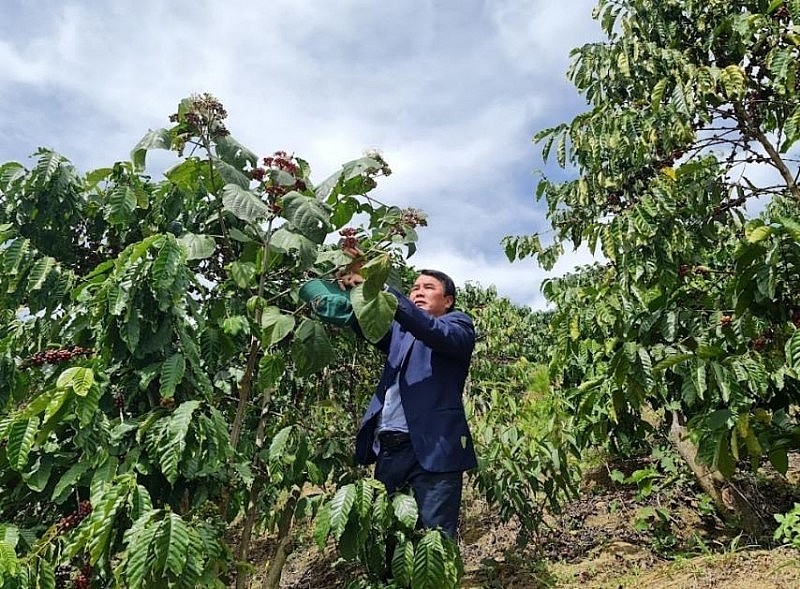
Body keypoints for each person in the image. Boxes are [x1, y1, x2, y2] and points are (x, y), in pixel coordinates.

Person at [338, 264, 478, 538]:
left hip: (432, 449)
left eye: (428, 288)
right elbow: (368, 324)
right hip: (390, 452)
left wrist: (384, 288)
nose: (418, 293)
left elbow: (432, 331)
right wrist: (356, 283)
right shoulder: (399, 335)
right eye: (414, 288)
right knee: (389, 538)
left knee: (434, 540)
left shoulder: (458, 325)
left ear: (448, 301)